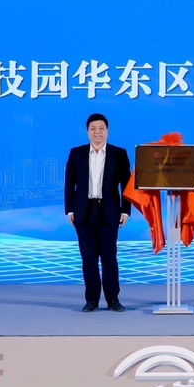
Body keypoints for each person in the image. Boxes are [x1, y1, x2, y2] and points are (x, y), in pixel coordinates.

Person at [64, 113, 131, 312]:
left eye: (101, 128)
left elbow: (126, 185)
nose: (97, 132)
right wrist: (69, 210)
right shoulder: (76, 153)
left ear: (107, 131)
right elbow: (69, 184)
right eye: (93, 129)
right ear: (88, 132)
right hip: (83, 212)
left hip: (109, 211)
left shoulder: (119, 154)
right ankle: (92, 299)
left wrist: (125, 211)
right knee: (89, 258)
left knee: (110, 258)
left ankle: (113, 300)